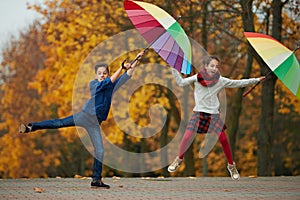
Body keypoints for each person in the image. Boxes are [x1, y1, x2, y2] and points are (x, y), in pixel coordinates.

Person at [19, 51, 144, 188]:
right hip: (84, 116)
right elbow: (112, 79)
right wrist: (121, 67)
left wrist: (137, 59)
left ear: (108, 74)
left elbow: (127, 75)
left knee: (100, 151)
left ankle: (96, 180)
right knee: (59, 123)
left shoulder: (111, 87)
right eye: (100, 73)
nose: (102, 75)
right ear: (96, 75)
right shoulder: (94, 84)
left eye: (105, 73)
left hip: (95, 123)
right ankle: (31, 127)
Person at [168, 55, 265, 181]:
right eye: (212, 65)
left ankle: (231, 166)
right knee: (187, 136)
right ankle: (178, 160)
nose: (215, 68)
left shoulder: (220, 80)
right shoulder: (197, 78)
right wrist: (173, 69)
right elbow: (181, 83)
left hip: (213, 114)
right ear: (206, 66)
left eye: (216, 66)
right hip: (199, 113)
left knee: (224, 140)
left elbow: (238, 83)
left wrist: (256, 80)